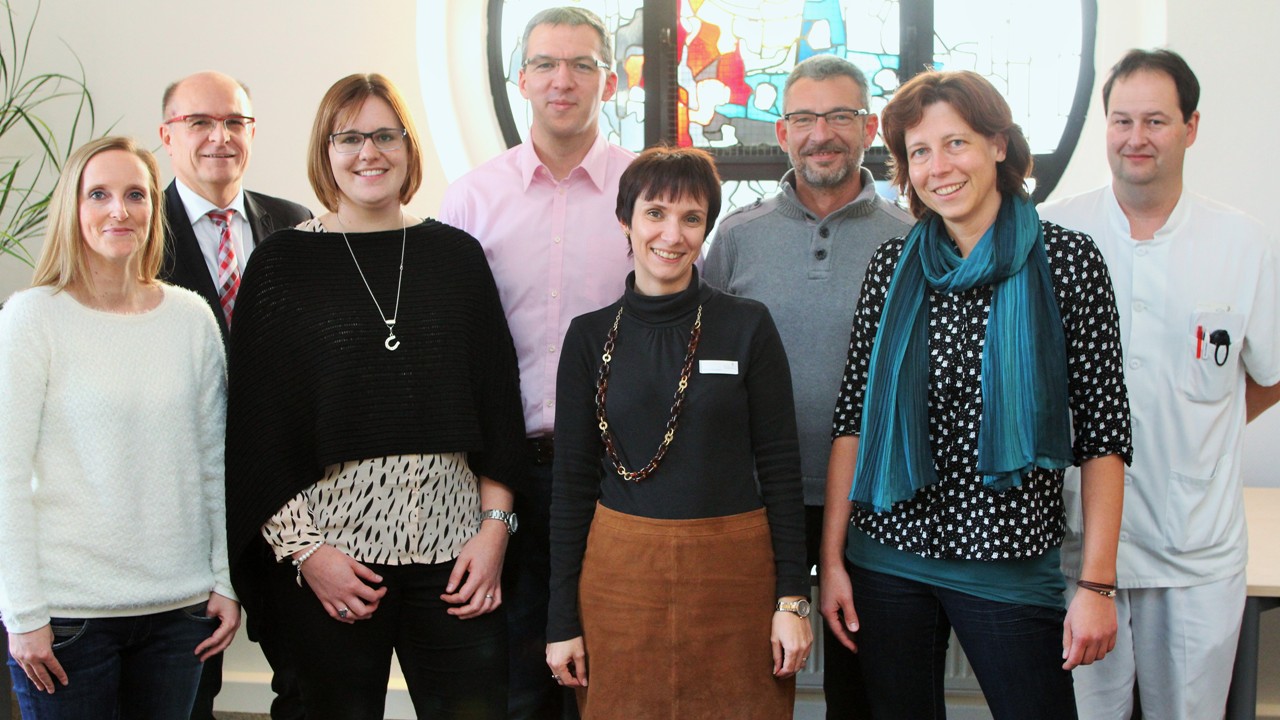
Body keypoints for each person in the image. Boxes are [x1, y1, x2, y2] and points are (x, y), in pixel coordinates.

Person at [819, 69, 1132, 720]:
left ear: (997, 144)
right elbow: (853, 421)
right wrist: (834, 562)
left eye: (955, 143)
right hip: (888, 557)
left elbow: (1104, 437)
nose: (939, 167)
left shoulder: (1067, 262)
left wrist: (1097, 584)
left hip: (1009, 561)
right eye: (920, 152)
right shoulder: (891, 268)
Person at [223, 73, 526, 720]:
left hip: (455, 553)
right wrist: (310, 555)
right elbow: (256, 431)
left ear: (409, 149)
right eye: (351, 137)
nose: (370, 152)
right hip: (334, 557)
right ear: (325, 152)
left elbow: (500, 405)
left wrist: (494, 532)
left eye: (386, 135)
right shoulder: (280, 266)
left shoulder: (457, 257)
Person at [1039, 49, 1280, 719]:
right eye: (1121, 121)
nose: (1135, 138)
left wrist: (1211, 429)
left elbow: (1271, 373)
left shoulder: (1242, 242)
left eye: (1155, 121)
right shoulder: (1052, 232)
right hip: (1079, 546)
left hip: (1197, 546)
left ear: (1191, 127)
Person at [545, 145, 812, 719]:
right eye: (656, 213)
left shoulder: (747, 326)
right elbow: (570, 485)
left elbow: (782, 470)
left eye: (692, 218)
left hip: (734, 579)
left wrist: (793, 599)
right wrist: (561, 620)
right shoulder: (588, 338)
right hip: (619, 581)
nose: (673, 233)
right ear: (626, 220)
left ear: (707, 229)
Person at [437, 7, 634, 718]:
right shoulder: (470, 201)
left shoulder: (645, 195)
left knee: (610, 675)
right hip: (502, 478)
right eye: (547, 64)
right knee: (516, 684)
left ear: (608, 82)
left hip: (618, 473)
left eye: (583, 64)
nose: (564, 80)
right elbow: (444, 346)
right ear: (521, 79)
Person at [0, 136, 238, 717]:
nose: (119, 210)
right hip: (69, 618)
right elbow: (5, 473)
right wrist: (23, 613)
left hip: (179, 616)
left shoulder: (190, 318)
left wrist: (226, 581)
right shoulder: (34, 317)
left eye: (136, 194)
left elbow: (214, 462)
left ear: (155, 210)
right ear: (73, 208)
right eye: (99, 194)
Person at [702, 54, 911, 719]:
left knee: (869, 689)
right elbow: (698, 366)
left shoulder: (913, 238)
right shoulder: (736, 238)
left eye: (840, 116)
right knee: (751, 683)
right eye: (804, 118)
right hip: (760, 499)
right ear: (782, 130)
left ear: (870, 126)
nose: (822, 133)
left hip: (879, 501)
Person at [157, 69, 312, 720]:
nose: (219, 137)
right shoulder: (138, 225)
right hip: (183, 501)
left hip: (284, 496)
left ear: (252, 133)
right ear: (167, 135)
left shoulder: (296, 225)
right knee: (190, 691)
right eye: (200, 122)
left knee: (311, 680)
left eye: (234, 123)